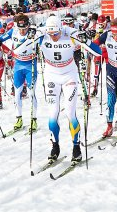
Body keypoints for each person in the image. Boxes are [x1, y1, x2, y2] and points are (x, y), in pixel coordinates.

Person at [35, 15, 100, 164]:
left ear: (61, 28)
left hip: (69, 75)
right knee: (52, 115)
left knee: (70, 112)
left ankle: (76, 147)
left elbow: (98, 53)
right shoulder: (42, 34)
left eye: (56, 34)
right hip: (51, 76)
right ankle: (55, 146)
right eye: (50, 35)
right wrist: (31, 37)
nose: (54, 37)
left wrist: (87, 40)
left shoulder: (70, 33)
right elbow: (18, 50)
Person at [0, 14, 38, 133]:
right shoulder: (13, 31)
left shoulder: (34, 32)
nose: (22, 31)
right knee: (17, 92)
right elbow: (1, 38)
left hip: (31, 65)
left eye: (24, 28)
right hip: (18, 65)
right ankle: (18, 119)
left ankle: (34, 119)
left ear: (28, 25)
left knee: (31, 93)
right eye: (20, 29)